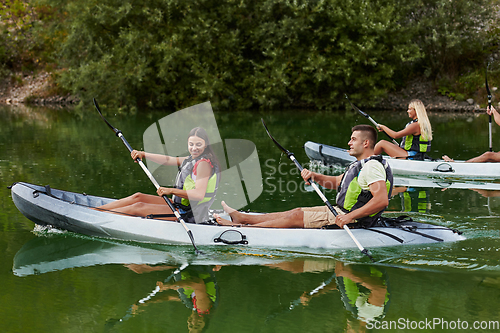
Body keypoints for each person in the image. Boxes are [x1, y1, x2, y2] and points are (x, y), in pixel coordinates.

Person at [214, 125, 393, 229]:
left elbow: (381, 200)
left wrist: (348, 217)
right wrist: (315, 176)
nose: (349, 143)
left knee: (296, 217)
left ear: (366, 143)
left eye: (353, 139)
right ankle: (243, 218)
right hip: (342, 211)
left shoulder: (372, 167)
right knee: (296, 211)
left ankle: (240, 228)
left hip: (352, 219)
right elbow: (338, 182)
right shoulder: (360, 165)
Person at [96, 127, 220, 223]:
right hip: (181, 207)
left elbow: (198, 195)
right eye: (191, 144)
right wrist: (143, 154)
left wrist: (170, 190)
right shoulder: (192, 159)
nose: (194, 148)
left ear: (206, 145)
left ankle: (96, 218)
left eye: (199, 145)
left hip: (189, 214)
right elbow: (167, 160)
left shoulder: (204, 165)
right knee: (138, 197)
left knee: (137, 207)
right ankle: (95, 212)